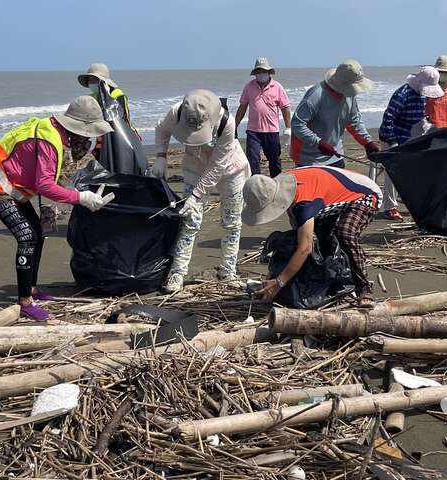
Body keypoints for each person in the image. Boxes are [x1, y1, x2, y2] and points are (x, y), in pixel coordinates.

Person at [0, 96, 113, 320]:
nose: (90, 139)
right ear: (79, 128)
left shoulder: (54, 130)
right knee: (27, 237)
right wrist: (81, 198)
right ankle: (24, 301)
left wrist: (56, 203)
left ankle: (31, 289)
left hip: (12, 186)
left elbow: (46, 179)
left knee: (37, 234)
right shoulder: (50, 141)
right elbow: (45, 185)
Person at [152, 89, 250, 292]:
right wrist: (161, 156)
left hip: (230, 171)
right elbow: (161, 130)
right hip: (193, 167)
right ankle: (177, 273)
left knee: (232, 223)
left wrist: (196, 195)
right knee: (189, 221)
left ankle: (228, 272)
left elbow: (217, 166)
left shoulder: (227, 123)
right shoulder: (178, 112)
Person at [241, 166, 382, 307]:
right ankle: (332, 282)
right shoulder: (284, 186)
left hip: (364, 194)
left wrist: (279, 283)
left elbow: (305, 248)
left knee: (345, 233)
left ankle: (364, 287)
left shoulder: (303, 204)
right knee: (319, 238)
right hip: (328, 198)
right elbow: (297, 227)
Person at [377, 66, 444, 221]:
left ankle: (412, 201)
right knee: (391, 173)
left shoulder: (421, 95)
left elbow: (419, 118)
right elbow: (388, 118)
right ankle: (390, 207)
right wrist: (392, 141)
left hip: (410, 136)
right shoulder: (402, 94)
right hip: (391, 136)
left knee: (413, 171)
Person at [290, 59, 379, 169]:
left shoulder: (350, 95)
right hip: (309, 159)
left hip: (335, 155)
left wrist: (367, 142)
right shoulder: (316, 95)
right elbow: (297, 124)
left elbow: (353, 121)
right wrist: (318, 143)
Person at [78, 63, 147, 174]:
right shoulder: (93, 97)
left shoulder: (117, 95)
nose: (91, 83)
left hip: (123, 137)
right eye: (90, 80)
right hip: (103, 138)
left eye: (94, 79)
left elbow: (122, 120)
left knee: (125, 168)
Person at [235, 57, 291, 177]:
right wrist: (234, 125)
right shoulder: (249, 87)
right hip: (253, 132)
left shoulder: (277, 87)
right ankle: (256, 184)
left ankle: (276, 183)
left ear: (268, 72)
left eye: (263, 71)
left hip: (272, 131)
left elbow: (285, 108)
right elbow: (242, 107)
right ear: (255, 73)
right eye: (259, 71)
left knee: (274, 160)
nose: (261, 74)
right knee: (253, 159)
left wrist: (288, 128)